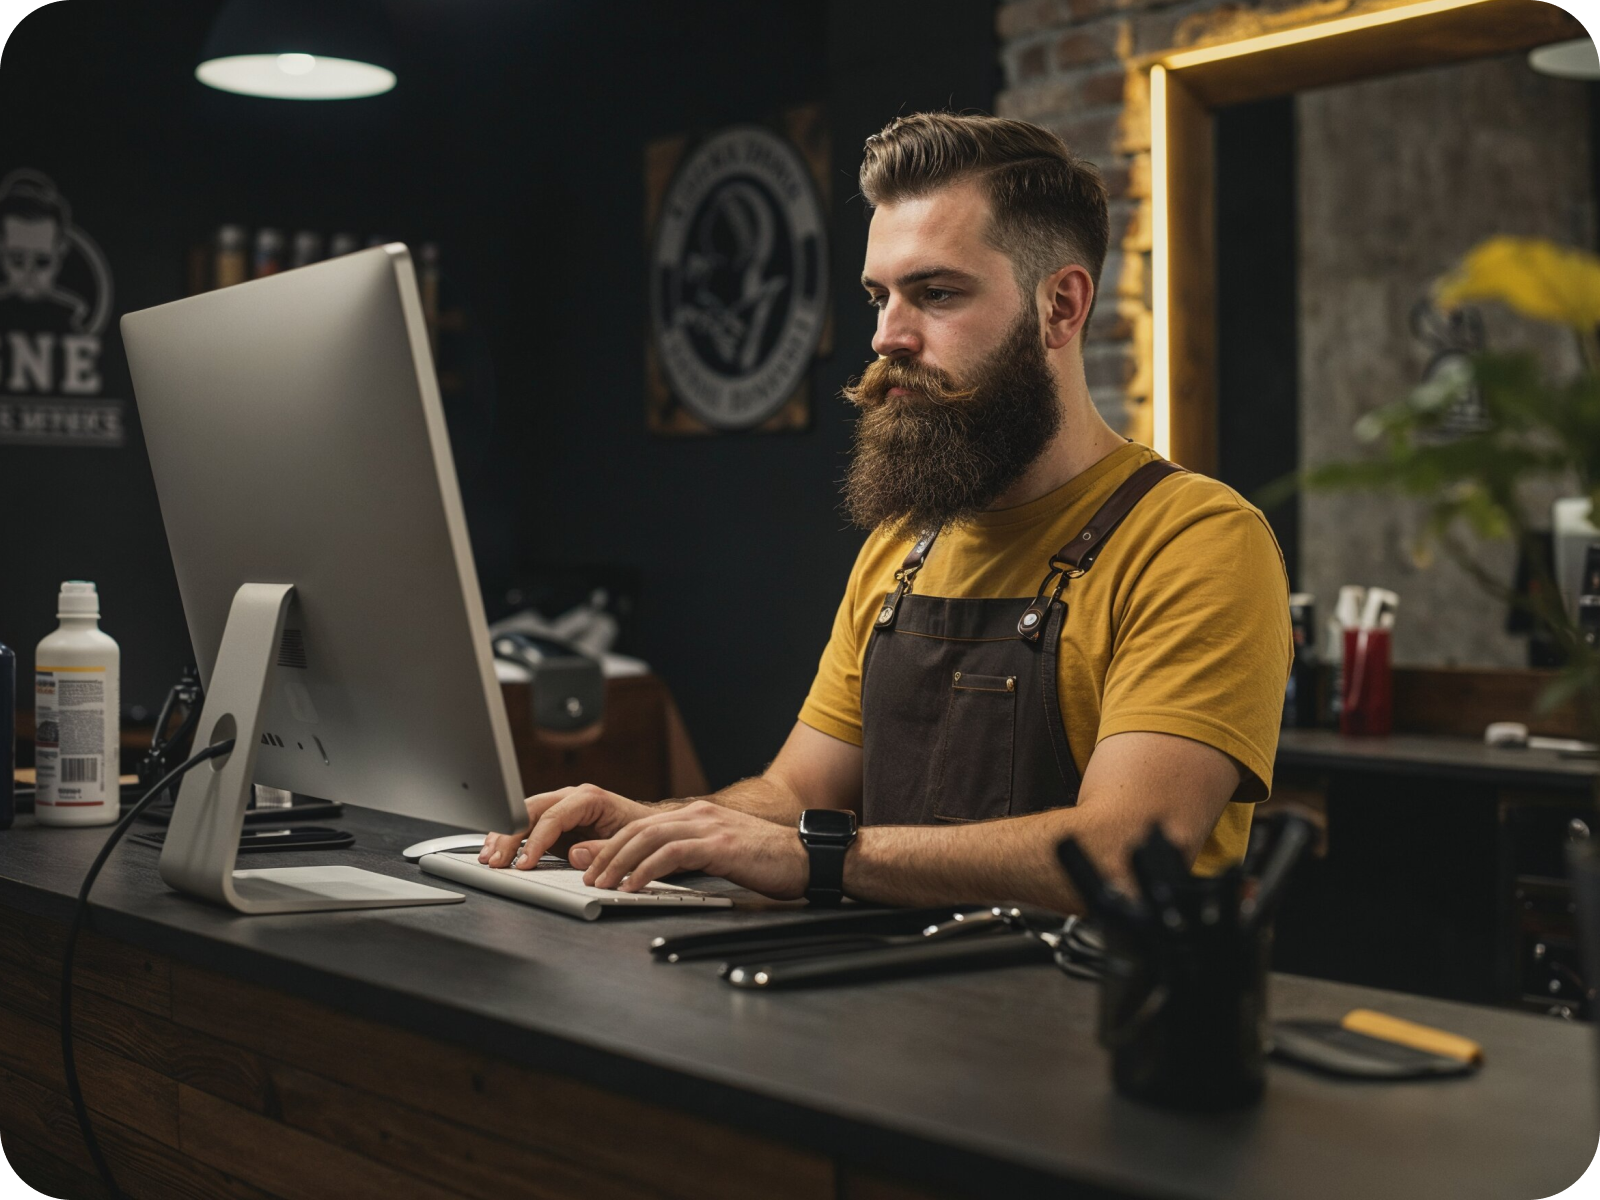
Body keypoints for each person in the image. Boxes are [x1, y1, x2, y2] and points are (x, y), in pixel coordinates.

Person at [482, 112, 1291, 911]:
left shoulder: (1195, 542)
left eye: (936, 294)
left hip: (1095, 1026)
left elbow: (1124, 857)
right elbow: (795, 790)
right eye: (879, 297)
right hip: (882, 1013)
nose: (887, 337)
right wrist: (655, 824)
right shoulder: (907, 544)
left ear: (1062, 307)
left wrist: (813, 854)